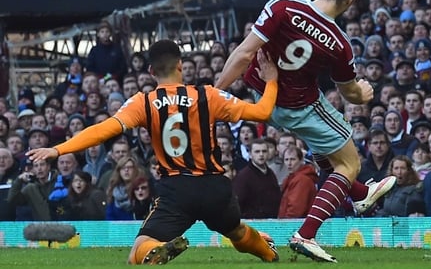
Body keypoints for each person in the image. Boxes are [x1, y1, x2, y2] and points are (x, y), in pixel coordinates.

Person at [26, 39, 280, 265]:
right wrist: (271, 81)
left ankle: (155, 249)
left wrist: (57, 149)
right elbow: (262, 112)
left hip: (177, 190)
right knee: (236, 231)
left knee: (137, 251)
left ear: (150, 71)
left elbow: (102, 130)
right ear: (180, 65)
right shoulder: (208, 95)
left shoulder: (143, 102)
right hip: (215, 187)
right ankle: (268, 253)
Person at [215, 0, 396, 263]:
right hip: (300, 105)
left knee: (326, 151)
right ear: (350, 1)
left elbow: (245, 52)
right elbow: (349, 92)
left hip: (264, 97)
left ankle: (359, 194)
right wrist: (363, 93)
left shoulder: (283, 4)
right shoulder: (340, 43)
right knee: (349, 162)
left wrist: (215, 92)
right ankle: (307, 234)